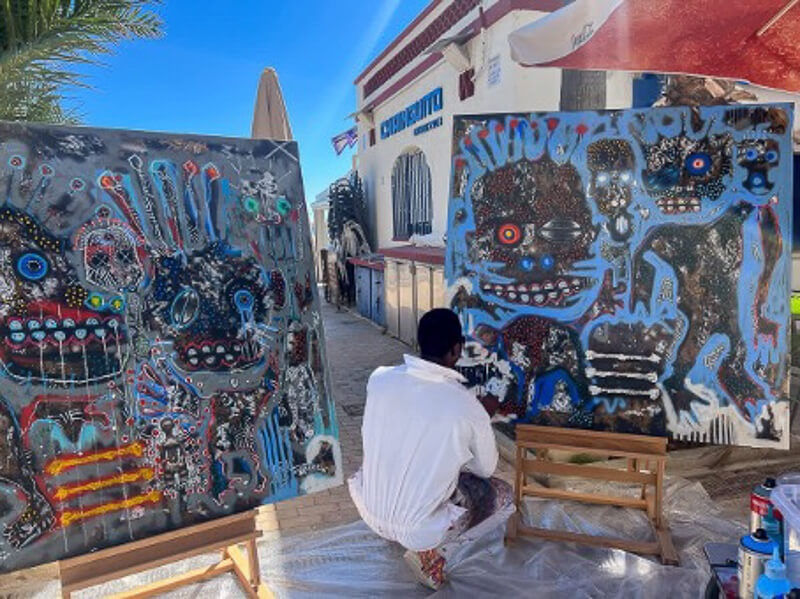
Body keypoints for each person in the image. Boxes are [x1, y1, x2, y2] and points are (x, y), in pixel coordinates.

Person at [348, 308, 514, 590]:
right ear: (457, 349)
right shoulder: (466, 404)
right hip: (418, 529)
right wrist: (480, 420)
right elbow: (485, 469)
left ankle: (409, 535)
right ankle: (432, 553)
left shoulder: (379, 378)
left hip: (370, 508)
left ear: (419, 341)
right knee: (501, 494)